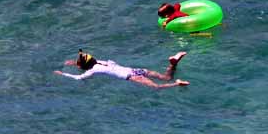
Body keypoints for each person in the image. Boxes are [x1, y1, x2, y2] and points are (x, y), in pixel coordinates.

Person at [55, 49, 189, 88]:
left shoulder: (93, 70)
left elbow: (78, 77)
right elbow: (87, 62)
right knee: (165, 77)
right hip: (135, 70)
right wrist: (72, 63)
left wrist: (62, 73)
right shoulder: (100, 62)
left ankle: (177, 84)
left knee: (157, 87)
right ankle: (173, 62)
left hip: (131, 77)